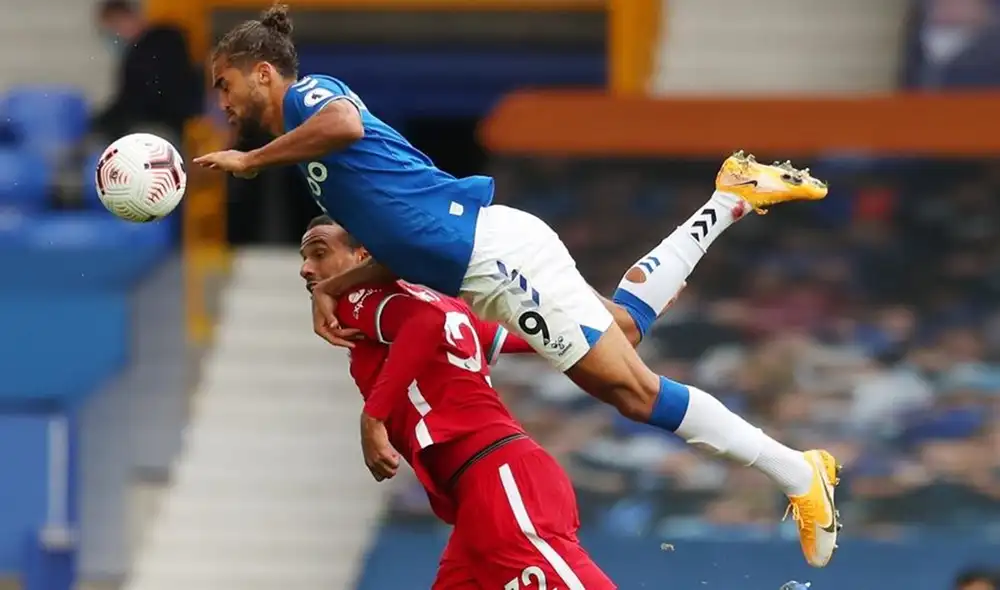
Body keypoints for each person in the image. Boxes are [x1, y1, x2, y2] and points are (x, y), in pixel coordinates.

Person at [197, 4, 841, 567]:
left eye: (224, 84)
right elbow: (399, 242)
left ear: (263, 72)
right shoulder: (312, 156)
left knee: (633, 392)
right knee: (622, 329)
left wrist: (251, 160)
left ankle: (798, 471)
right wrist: (333, 287)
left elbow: (347, 123)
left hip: (494, 262)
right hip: (491, 256)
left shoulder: (308, 100)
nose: (221, 101)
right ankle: (730, 197)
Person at [300, 220, 617, 589]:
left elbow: (425, 323)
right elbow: (530, 338)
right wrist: (619, 324)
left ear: (362, 256)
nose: (306, 268)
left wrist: (373, 417)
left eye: (319, 254)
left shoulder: (358, 298)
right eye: (304, 258)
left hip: (494, 477)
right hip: (489, 483)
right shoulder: (445, 303)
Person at [94, 0, 202, 143]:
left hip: (159, 126)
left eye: (113, 29)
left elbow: (147, 98)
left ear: (124, 18)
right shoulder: (142, 50)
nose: (114, 36)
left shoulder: (159, 45)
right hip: (154, 124)